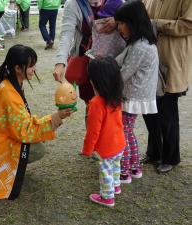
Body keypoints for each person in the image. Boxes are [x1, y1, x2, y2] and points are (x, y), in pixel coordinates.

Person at [0, 44, 73, 200]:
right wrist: (56, 117)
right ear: (18, 68)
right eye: (31, 66)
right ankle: (1, 169)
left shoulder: (11, 83)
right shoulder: (9, 94)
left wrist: (53, 119)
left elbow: (21, 123)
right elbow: (25, 132)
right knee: (37, 149)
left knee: (39, 140)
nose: (34, 69)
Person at [142, 0, 192, 173]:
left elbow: (187, 25)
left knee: (166, 112)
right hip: (149, 58)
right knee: (149, 111)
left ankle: (171, 157)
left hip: (171, 59)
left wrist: (157, 24)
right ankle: (154, 152)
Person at [114, 0, 158, 183]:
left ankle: (124, 171)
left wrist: (106, 81)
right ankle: (134, 167)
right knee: (128, 131)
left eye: (122, 23)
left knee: (124, 133)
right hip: (135, 95)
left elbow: (123, 73)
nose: (120, 28)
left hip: (132, 96)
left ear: (134, 22)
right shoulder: (140, 43)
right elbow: (119, 61)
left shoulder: (140, 47)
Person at [53, 0, 118, 107]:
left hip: (113, 61)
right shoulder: (74, 4)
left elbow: (134, 16)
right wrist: (60, 62)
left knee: (112, 105)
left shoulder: (116, 1)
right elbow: (66, 34)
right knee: (92, 103)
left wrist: (118, 20)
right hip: (88, 63)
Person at [80, 57, 125, 207]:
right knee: (116, 165)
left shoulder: (96, 103)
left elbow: (93, 132)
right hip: (119, 143)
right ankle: (116, 186)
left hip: (106, 148)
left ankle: (107, 197)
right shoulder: (117, 96)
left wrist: (87, 150)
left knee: (105, 171)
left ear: (94, 81)